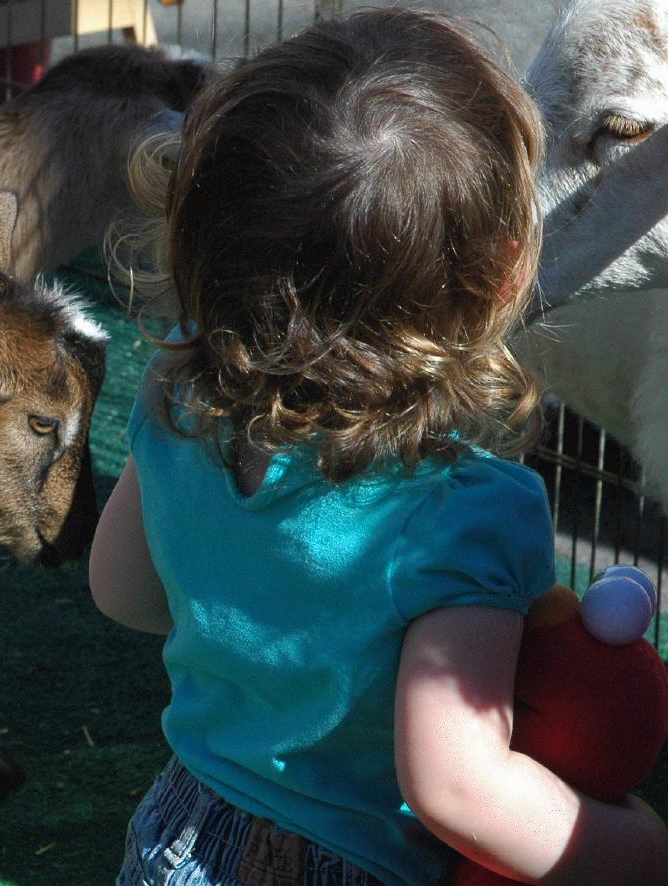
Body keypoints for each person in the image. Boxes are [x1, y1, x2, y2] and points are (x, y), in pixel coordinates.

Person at [90, 8, 668, 885]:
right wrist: (636, 850)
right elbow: (458, 791)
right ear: (506, 269)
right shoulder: (466, 513)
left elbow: (124, 590)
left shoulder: (184, 394)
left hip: (179, 838)